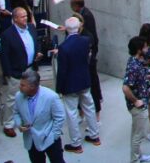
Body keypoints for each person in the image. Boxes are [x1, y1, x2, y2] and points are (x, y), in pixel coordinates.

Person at [55, 17, 99, 153]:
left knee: (72, 113)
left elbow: (62, 70)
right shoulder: (85, 41)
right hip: (84, 79)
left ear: (67, 29)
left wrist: (59, 88)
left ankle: (76, 143)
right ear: (79, 27)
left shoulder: (63, 48)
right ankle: (94, 135)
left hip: (70, 83)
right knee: (89, 107)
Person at [1, 6, 43, 137]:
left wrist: (38, 52)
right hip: (16, 71)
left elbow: (36, 43)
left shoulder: (31, 27)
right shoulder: (7, 35)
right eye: (22, 16)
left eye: (26, 15)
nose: (25, 18)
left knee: (32, 94)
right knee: (12, 98)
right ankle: (8, 124)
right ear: (15, 19)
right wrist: (8, 74)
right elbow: (4, 56)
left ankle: (29, 118)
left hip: (31, 68)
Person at [13, 69, 66, 163]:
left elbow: (60, 117)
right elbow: (16, 112)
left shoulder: (51, 96)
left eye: (22, 85)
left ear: (32, 86)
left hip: (50, 139)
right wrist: (19, 125)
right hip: (31, 140)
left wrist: (54, 135)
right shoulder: (18, 96)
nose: (19, 87)